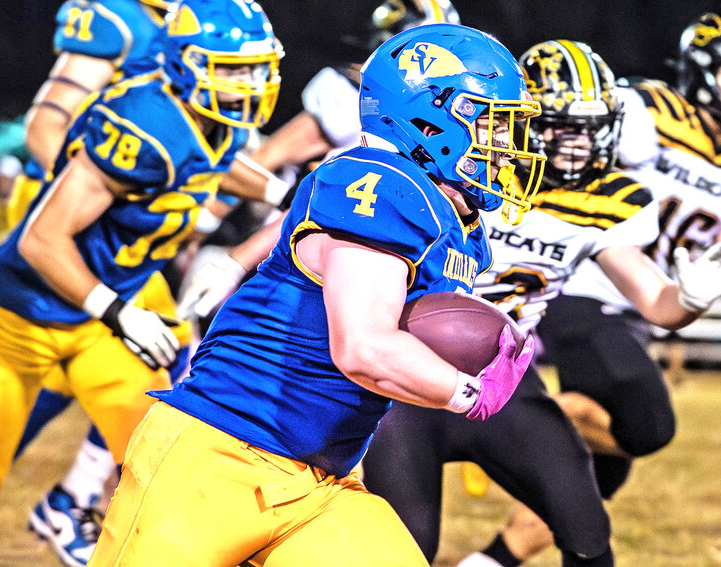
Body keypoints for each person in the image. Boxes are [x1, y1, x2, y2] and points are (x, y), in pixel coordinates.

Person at [87, 23, 543, 566]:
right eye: (492, 121)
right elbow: (364, 349)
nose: (509, 144)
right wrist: (466, 392)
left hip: (321, 482)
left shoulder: (456, 221)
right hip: (218, 455)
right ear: (432, 116)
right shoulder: (382, 186)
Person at [362, 39, 721, 567]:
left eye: (591, 128)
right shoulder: (447, 172)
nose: (577, 144)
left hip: (504, 381)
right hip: (411, 385)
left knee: (588, 534)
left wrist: (691, 296)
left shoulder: (608, 199)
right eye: (563, 126)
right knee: (402, 553)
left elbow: (658, 304)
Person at [0, 3, 282, 567]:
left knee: (163, 461)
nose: (248, 84)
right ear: (188, 64)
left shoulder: (211, 118)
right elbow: (40, 240)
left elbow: (213, 160)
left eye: (255, 69)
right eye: (233, 69)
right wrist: (119, 311)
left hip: (107, 316)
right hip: (26, 310)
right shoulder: (143, 121)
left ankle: (94, 529)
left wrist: (284, 194)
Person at [459, 8, 721, 564]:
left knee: (605, 468)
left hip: (645, 300)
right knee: (647, 424)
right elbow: (569, 136)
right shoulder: (646, 111)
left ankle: (490, 559)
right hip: (581, 282)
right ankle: (491, 418)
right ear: (701, 68)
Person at [177, 0, 462, 322]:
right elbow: (266, 159)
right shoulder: (350, 96)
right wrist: (203, 227)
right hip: (279, 245)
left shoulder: (435, 131)